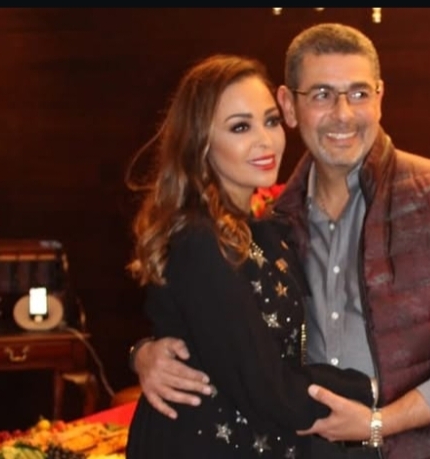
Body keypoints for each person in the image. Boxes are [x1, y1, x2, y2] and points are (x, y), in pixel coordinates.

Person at [131, 24, 430, 459]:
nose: (343, 114)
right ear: (290, 105)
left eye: (358, 93)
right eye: (321, 95)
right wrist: (145, 352)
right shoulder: (275, 221)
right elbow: (224, 330)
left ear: (380, 98)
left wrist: (380, 420)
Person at [123, 53, 375, 458]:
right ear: (200, 142)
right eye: (240, 127)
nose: (265, 140)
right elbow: (268, 388)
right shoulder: (198, 239)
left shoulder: (260, 229)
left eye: (271, 121)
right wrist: (380, 392)